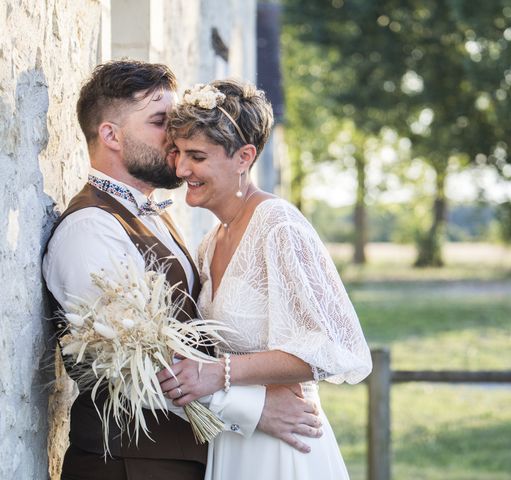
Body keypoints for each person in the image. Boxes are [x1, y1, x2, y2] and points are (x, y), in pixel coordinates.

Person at [42, 60, 322, 480]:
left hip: (178, 458)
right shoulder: (90, 229)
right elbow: (133, 364)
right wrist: (256, 407)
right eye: (160, 122)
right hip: (128, 466)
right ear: (110, 135)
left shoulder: (153, 215)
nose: (175, 137)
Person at [159, 79, 372, 479]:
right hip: (237, 437)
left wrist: (217, 374)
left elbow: (332, 346)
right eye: (179, 153)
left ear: (244, 157)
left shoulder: (279, 226)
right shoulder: (210, 242)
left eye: (197, 156)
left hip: (286, 443)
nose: (181, 168)